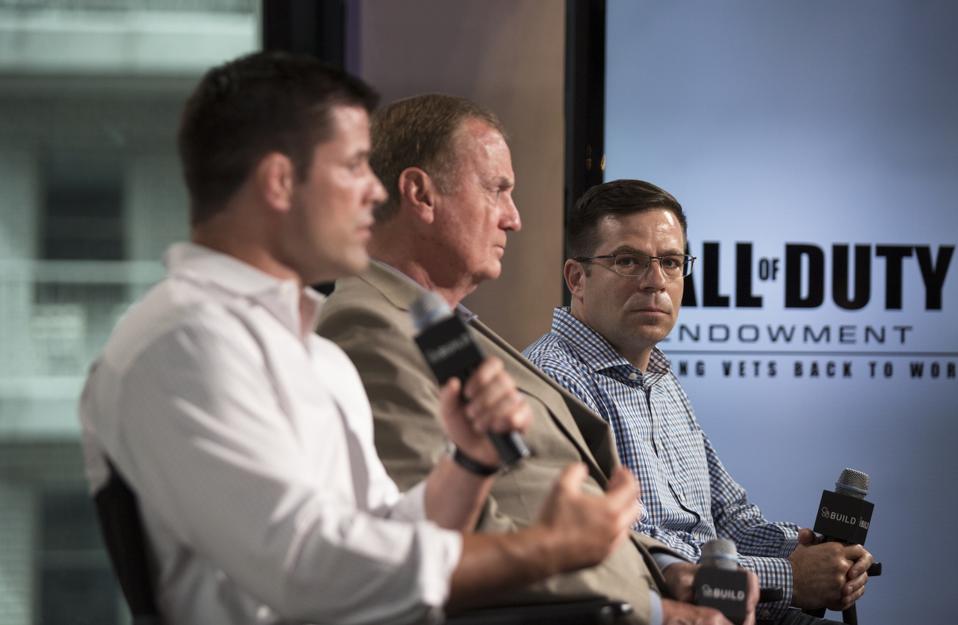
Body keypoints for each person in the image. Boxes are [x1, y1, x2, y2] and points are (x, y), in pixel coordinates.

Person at [78, 52, 645, 625]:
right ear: (279, 182)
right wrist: (550, 549)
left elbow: (384, 531)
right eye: (353, 167)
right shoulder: (185, 340)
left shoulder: (316, 355)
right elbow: (309, 567)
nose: (375, 194)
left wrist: (469, 464)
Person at [317, 93, 757, 625]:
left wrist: (666, 566)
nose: (514, 219)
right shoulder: (369, 325)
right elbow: (433, 539)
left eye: (671, 264)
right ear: (421, 195)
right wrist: (657, 611)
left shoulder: (438, 324)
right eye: (497, 190)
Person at [523, 179, 875, 625]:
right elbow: (625, 550)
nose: (656, 282)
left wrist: (814, 554)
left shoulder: (659, 377)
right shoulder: (553, 380)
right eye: (629, 261)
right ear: (577, 278)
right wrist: (788, 576)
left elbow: (729, 519)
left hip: (725, 604)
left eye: (671, 262)